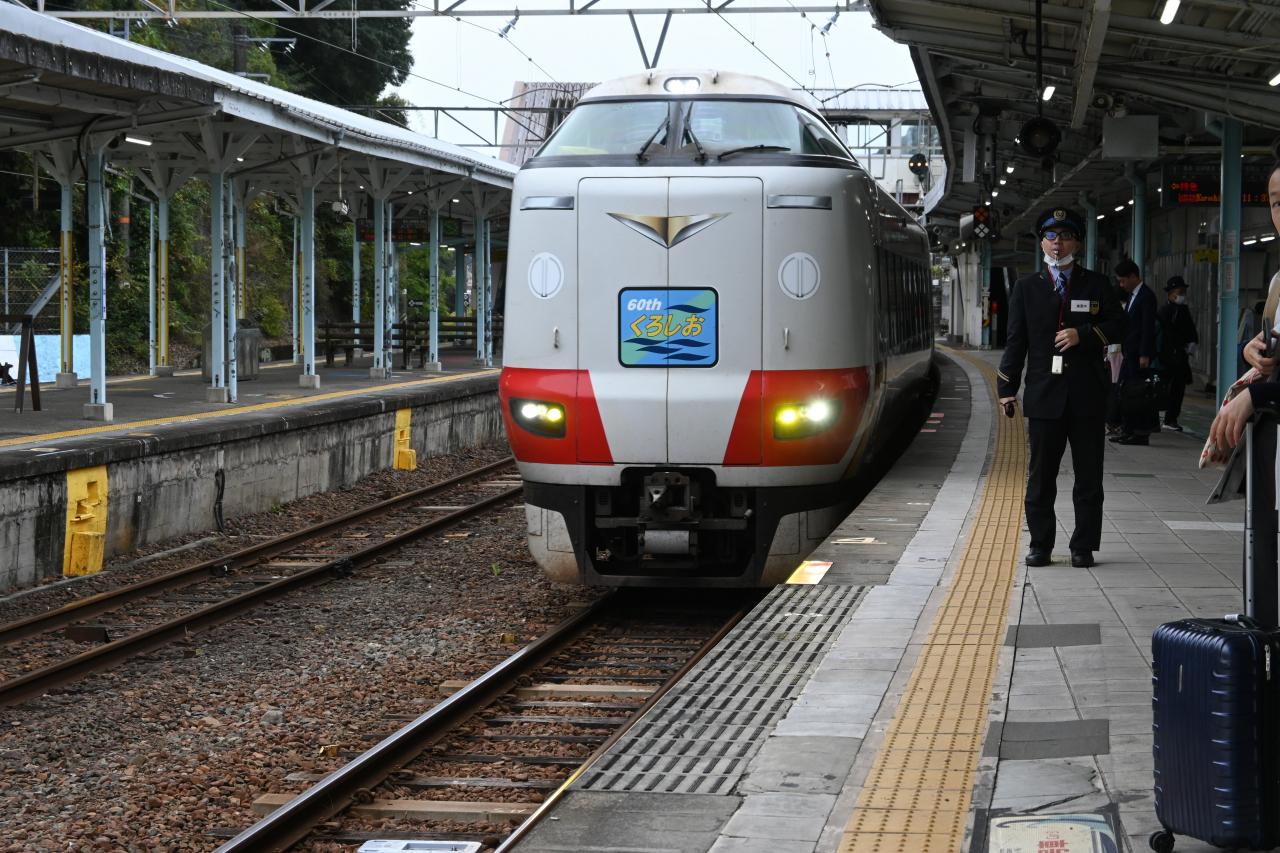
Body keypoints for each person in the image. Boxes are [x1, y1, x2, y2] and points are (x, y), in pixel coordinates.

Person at [998, 207, 1126, 568]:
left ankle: (1083, 546)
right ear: (1042, 242)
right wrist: (1006, 388)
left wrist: (1083, 334)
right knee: (1041, 477)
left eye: (1066, 236)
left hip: (1088, 396)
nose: (1058, 243)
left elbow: (1121, 325)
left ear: (1078, 243)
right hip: (1044, 396)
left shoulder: (1097, 284)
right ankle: (1040, 544)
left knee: (1089, 478)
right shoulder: (1026, 288)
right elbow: (1015, 341)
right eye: (1051, 236)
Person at [1112, 259, 1158, 445]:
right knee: (1126, 391)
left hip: (1139, 354)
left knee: (1137, 393)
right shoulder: (1132, 295)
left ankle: (1140, 432)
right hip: (1129, 352)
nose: (1121, 285)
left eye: (1123, 281)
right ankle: (1128, 429)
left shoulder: (1146, 296)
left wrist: (1144, 354)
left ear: (1133, 276)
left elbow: (1147, 327)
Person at [1157, 276, 1199, 431]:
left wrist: (1192, 343)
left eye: (1183, 292)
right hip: (1166, 356)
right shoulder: (1164, 311)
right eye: (1179, 292)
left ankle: (1171, 418)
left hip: (1180, 356)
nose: (1182, 295)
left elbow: (1191, 330)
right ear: (1170, 293)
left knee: (1178, 388)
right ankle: (1163, 417)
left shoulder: (1183, 309)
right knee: (1164, 387)